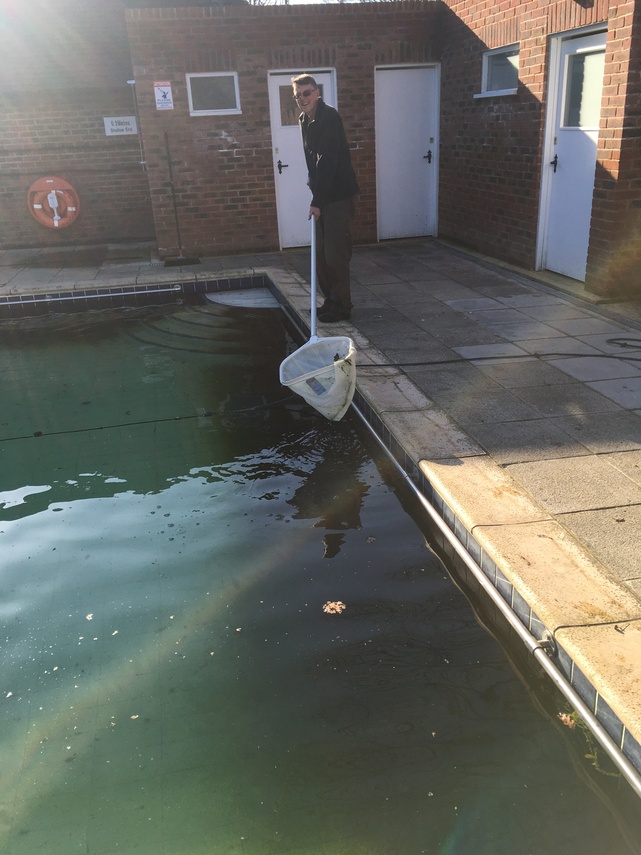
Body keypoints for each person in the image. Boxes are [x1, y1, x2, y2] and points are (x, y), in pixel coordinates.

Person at [292, 74, 359, 323]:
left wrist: (317, 200)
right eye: (298, 95)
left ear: (317, 92)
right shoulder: (303, 120)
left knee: (335, 254)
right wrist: (314, 189)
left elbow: (327, 160)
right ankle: (330, 300)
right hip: (322, 194)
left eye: (306, 93)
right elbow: (312, 160)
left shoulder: (329, 117)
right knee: (320, 254)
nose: (302, 98)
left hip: (339, 196)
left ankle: (343, 306)